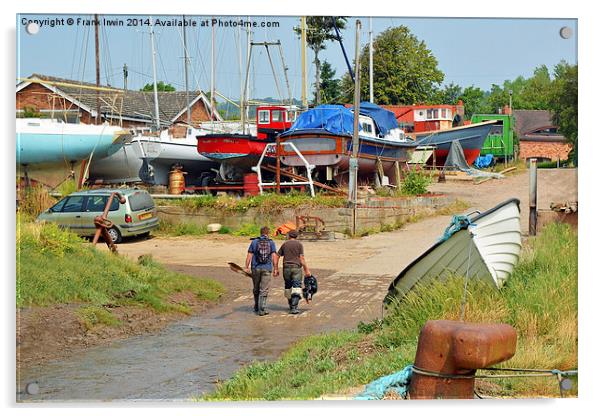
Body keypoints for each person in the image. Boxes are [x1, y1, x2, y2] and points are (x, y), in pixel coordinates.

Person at [274, 230, 311, 314]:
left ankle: (291, 305)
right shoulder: (299, 245)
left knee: (288, 286)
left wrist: (275, 268)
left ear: (289, 236)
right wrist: (306, 270)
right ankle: (294, 307)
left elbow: (277, 256)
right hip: (296, 268)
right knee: (297, 286)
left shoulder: (285, 244)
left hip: (286, 268)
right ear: (296, 236)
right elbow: (301, 259)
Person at [245, 226, 278, 316]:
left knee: (256, 287)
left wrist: (246, 267)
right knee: (264, 289)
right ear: (268, 233)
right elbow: (274, 256)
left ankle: (256, 306)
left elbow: (249, 255)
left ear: (260, 233)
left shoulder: (254, 241)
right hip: (267, 268)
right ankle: (262, 309)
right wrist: (276, 268)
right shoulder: (271, 242)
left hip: (255, 268)